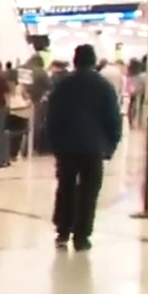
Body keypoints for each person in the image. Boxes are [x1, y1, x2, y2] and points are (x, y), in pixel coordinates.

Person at [47, 44, 123, 251]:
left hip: (67, 147)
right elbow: (113, 118)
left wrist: (54, 143)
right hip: (93, 148)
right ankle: (82, 236)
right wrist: (111, 145)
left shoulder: (63, 85)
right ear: (94, 61)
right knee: (89, 192)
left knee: (66, 187)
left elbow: (52, 116)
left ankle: (63, 230)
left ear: (75, 60)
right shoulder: (103, 85)